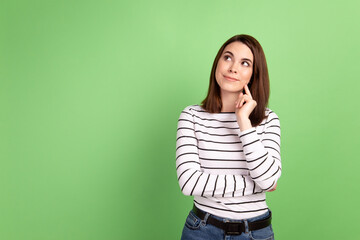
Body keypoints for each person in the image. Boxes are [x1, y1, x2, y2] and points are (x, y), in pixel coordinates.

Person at [176, 34, 281, 240]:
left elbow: (268, 180)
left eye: (245, 63)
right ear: (218, 63)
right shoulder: (192, 116)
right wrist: (255, 183)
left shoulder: (268, 119)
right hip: (202, 230)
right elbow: (189, 182)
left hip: (255, 233)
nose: (233, 68)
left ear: (254, 74)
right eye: (227, 58)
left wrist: (243, 121)